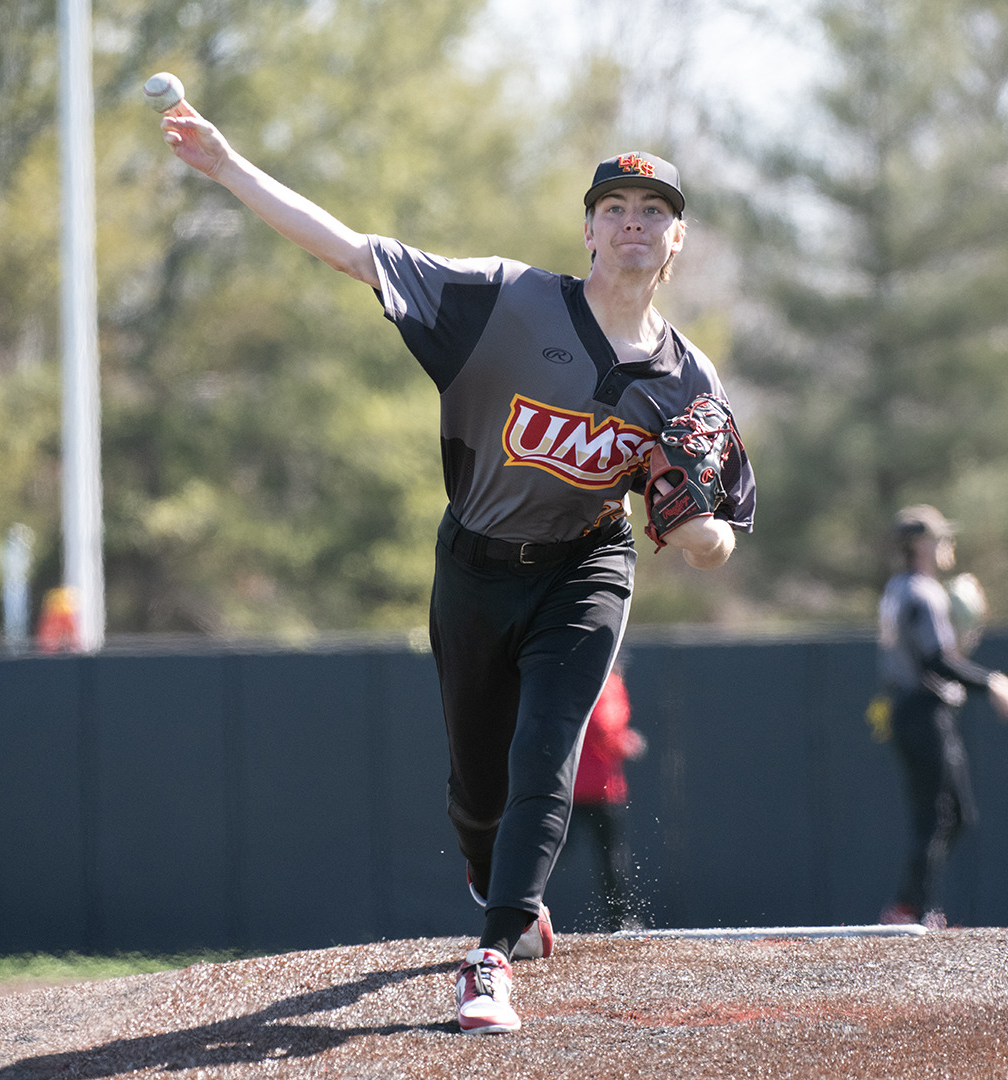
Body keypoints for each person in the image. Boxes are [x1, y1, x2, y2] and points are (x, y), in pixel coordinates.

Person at [161, 110, 754, 1032]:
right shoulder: (508, 302)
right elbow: (357, 254)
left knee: (546, 753)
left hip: (586, 568)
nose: (634, 221)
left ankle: (492, 955)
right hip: (476, 563)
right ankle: (494, 869)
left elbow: (713, 544)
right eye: (617, 205)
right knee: (478, 790)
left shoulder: (691, 384)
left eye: (654, 210)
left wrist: (689, 515)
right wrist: (229, 165)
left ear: (677, 239)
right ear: (590, 228)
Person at [874, 505, 1008, 930]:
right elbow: (937, 660)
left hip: (910, 708)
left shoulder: (898, 588)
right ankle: (911, 911)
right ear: (921, 544)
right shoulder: (922, 591)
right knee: (940, 815)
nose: (945, 545)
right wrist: (991, 681)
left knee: (951, 815)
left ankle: (912, 908)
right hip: (922, 710)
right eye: (939, 538)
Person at [569, 656, 648, 931]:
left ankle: (519, 914)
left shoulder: (574, 680)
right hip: (599, 788)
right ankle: (619, 921)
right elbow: (604, 726)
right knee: (612, 858)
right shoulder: (607, 683)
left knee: (544, 856)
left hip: (566, 785)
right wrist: (622, 744)